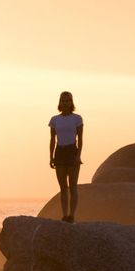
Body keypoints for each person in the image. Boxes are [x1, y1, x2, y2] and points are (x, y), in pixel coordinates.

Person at [49, 91, 84, 222]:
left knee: (73, 186)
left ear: (71, 103)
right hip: (60, 152)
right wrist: (51, 156)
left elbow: (80, 138)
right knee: (63, 187)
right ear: (60, 102)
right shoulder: (54, 119)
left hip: (71, 151)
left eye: (68, 101)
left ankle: (72, 215)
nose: (65, 103)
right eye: (63, 101)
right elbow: (52, 139)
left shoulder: (77, 119)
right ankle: (64, 215)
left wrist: (78, 155)